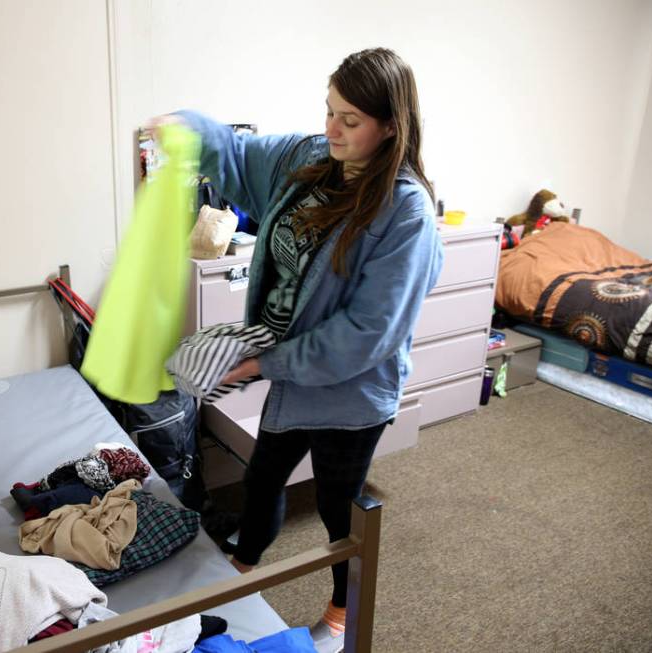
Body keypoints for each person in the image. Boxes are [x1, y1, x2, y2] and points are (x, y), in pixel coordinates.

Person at [154, 48, 444, 652]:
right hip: (291, 372)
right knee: (264, 479)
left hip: (351, 389)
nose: (331, 130)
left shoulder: (406, 214)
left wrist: (264, 363)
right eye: (329, 111)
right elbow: (236, 154)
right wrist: (190, 125)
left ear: (391, 125)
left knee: (342, 509)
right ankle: (244, 564)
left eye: (350, 120)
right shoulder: (312, 158)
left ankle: (343, 609)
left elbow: (369, 333)